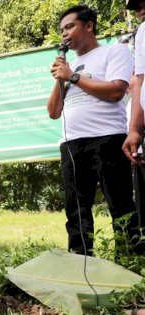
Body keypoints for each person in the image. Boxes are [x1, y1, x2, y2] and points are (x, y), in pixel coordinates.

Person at [47, 4, 138, 255]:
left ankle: (130, 261)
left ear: (89, 26)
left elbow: (116, 91)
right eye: (62, 29)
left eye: (70, 26)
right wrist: (61, 78)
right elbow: (54, 112)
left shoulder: (114, 52)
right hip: (72, 143)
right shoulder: (68, 64)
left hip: (108, 138)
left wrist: (74, 77)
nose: (65, 33)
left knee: (120, 205)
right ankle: (81, 258)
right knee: (76, 208)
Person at [122, 0, 145, 255]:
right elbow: (141, 78)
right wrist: (135, 130)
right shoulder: (142, 32)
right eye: (137, 4)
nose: (141, 9)